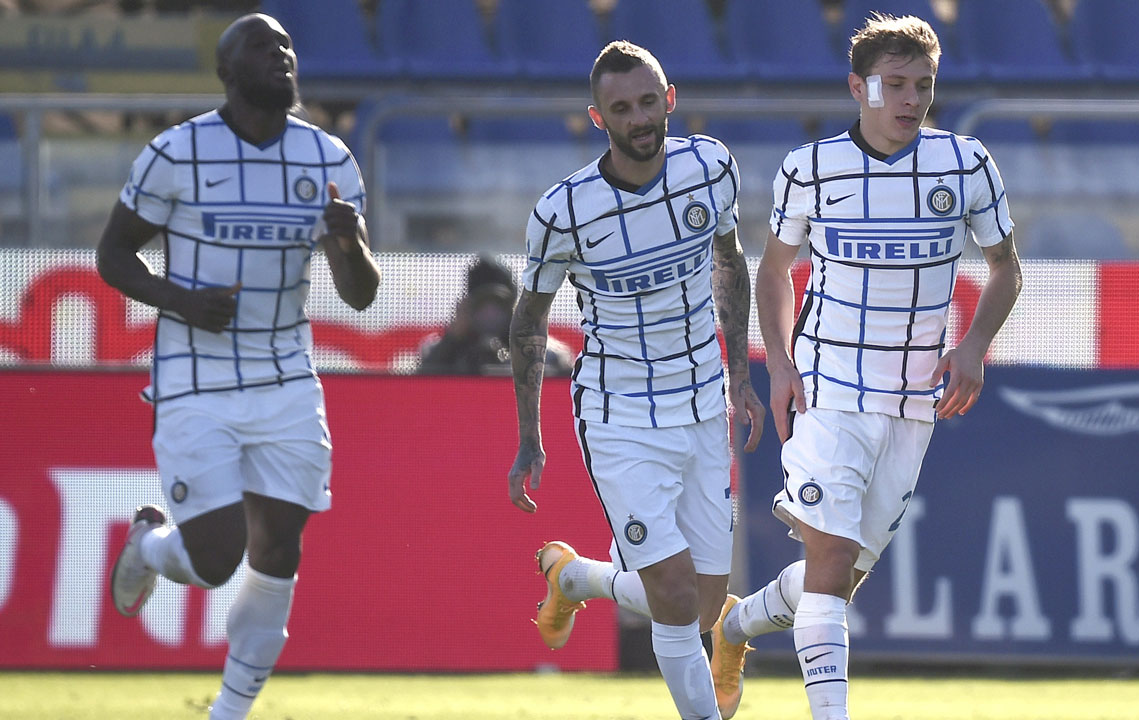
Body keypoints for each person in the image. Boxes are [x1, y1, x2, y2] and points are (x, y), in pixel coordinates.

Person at [708, 13, 1022, 720]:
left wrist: (973, 345)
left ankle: (733, 628)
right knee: (828, 557)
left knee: (837, 580)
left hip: (914, 402)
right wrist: (782, 364)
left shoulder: (966, 164)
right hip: (830, 390)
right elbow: (776, 272)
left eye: (924, 86)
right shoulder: (811, 168)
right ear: (859, 86)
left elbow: (1006, 269)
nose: (912, 100)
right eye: (896, 85)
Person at [96, 14, 380, 720]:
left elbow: (363, 294)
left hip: (286, 377)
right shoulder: (177, 152)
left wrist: (348, 247)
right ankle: (151, 542)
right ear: (226, 70)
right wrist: (179, 301)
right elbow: (113, 254)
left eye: (287, 46)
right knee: (217, 558)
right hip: (195, 375)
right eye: (261, 46)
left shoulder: (328, 160)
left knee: (280, 545)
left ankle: (229, 711)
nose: (281, 56)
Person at [507, 40, 766, 720]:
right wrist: (529, 435)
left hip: (703, 401)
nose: (639, 118)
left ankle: (578, 577)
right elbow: (528, 322)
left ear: (669, 99)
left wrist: (739, 374)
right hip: (618, 414)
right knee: (677, 598)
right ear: (598, 118)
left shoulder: (710, 168)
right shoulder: (564, 210)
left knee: (705, 604)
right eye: (621, 108)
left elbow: (729, 264)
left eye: (648, 102)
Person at [418, 254, 572, 376]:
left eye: (498, 305)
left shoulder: (548, 354)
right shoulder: (436, 351)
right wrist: (451, 341)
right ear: (467, 308)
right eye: (482, 306)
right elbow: (418, 385)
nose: (490, 315)